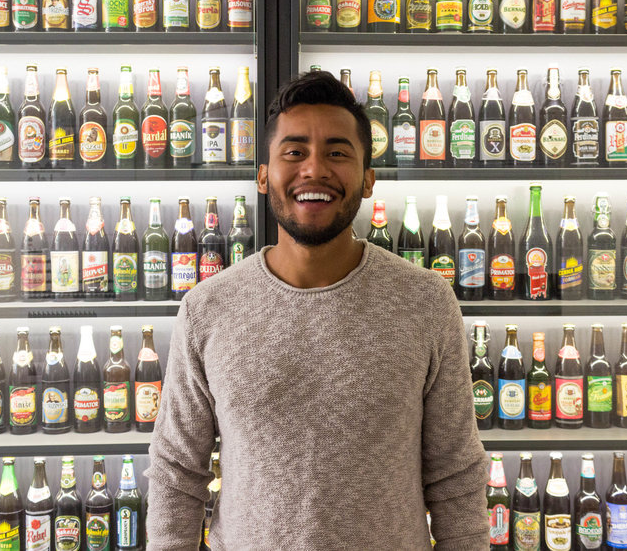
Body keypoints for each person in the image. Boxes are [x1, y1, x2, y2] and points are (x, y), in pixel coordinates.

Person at [145, 70, 488, 550]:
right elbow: (177, 470)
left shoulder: (426, 301)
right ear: (263, 176)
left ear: (368, 179)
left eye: (337, 153)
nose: (314, 170)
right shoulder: (207, 309)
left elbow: (456, 475)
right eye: (294, 152)